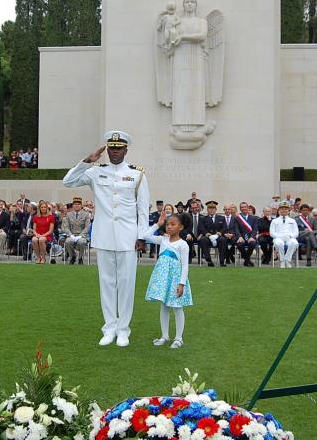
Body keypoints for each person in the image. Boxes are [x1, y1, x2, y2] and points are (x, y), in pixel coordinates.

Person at [63, 130, 150, 347]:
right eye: (111, 148)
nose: (114, 152)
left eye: (118, 148)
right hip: (104, 236)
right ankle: (109, 327)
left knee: (126, 283)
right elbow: (68, 182)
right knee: (107, 283)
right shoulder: (95, 172)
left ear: (126, 150)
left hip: (128, 237)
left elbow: (143, 211)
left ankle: (123, 329)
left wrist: (141, 236)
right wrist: (86, 161)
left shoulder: (137, 174)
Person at [144, 211, 193, 349]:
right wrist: (157, 224)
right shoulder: (163, 240)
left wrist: (181, 284)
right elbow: (146, 236)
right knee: (164, 306)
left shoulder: (183, 245)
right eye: (167, 224)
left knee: (177, 307)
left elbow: (185, 267)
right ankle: (165, 336)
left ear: (181, 227)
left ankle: (179, 338)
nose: (169, 227)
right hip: (163, 280)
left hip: (175, 280)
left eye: (173, 224)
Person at [197, 201, 226, 267]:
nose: (212, 210)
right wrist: (206, 233)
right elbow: (201, 228)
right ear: (207, 210)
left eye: (213, 208)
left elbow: (224, 228)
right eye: (210, 208)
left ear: (216, 209)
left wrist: (220, 232)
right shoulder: (203, 218)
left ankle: (222, 261)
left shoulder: (221, 218)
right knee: (203, 240)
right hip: (208, 237)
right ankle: (209, 260)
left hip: (218, 237)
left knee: (223, 240)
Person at [270, 201, 299, 268]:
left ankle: (287, 260)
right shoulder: (274, 221)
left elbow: (296, 232)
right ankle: (282, 261)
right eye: (282, 209)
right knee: (278, 243)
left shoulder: (292, 221)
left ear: (288, 210)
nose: (284, 210)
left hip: (289, 238)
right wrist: (280, 237)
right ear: (279, 210)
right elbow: (272, 233)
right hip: (278, 238)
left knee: (294, 243)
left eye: (286, 209)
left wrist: (290, 236)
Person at [63, 197, 91, 264]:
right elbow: (66, 227)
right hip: (72, 234)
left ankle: (80, 258)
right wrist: (70, 235)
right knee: (68, 241)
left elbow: (87, 227)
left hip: (82, 235)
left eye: (78, 204)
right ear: (73, 205)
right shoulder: (69, 214)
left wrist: (81, 235)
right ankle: (72, 256)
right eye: (75, 204)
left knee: (81, 242)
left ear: (81, 205)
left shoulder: (86, 214)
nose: (77, 205)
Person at [235, 201, 258, 267]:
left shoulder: (254, 218)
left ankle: (246, 260)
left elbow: (255, 229)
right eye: (242, 207)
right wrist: (239, 236)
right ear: (240, 209)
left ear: (248, 208)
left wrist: (252, 237)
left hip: (250, 237)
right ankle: (248, 260)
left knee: (253, 244)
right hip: (241, 237)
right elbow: (236, 229)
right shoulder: (237, 218)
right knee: (239, 245)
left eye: (245, 207)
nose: (244, 208)